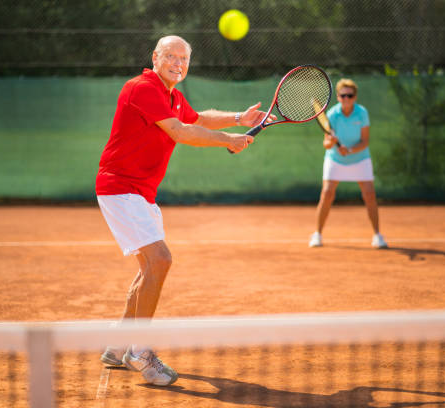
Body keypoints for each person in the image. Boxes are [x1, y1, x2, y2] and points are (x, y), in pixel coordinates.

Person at [95, 35, 271, 386]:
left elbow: (198, 118)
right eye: (171, 56)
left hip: (139, 192)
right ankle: (139, 352)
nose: (178, 63)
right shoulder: (143, 87)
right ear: (155, 57)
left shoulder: (170, 95)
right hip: (121, 187)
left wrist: (238, 118)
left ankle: (117, 346)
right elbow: (180, 131)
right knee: (160, 260)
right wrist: (228, 141)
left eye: (184, 59)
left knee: (148, 267)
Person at [309, 78, 387, 249]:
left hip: (360, 159)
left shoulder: (362, 113)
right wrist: (331, 142)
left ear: (355, 97)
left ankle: (377, 235)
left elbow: (365, 142)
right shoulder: (332, 114)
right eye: (342, 95)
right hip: (335, 159)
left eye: (349, 95)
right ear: (338, 97)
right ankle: (318, 234)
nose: (346, 99)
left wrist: (350, 150)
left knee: (369, 195)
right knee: (327, 193)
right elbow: (326, 144)